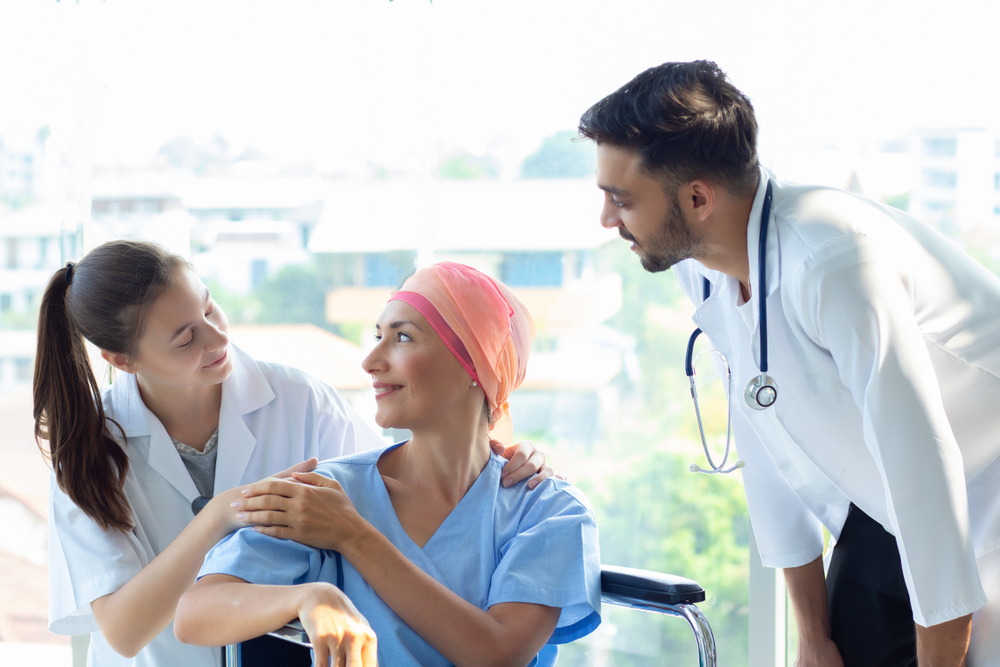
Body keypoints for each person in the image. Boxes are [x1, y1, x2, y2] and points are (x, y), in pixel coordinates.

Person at [578, 61, 1000, 667]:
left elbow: (924, 471)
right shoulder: (703, 267)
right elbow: (764, 432)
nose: (607, 221)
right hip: (886, 508)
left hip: (971, 481)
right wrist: (811, 634)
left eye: (621, 200)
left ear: (698, 198)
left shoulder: (833, 264)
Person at [35, 241, 553, 667]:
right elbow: (124, 632)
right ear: (122, 360)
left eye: (210, 306)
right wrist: (220, 515)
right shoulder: (86, 453)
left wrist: (498, 452)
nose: (217, 338)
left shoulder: (299, 399)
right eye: (186, 337)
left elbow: (402, 485)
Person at [175, 261, 602, 667]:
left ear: (476, 363)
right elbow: (194, 614)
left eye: (402, 338)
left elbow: (498, 655)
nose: (371, 362)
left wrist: (353, 536)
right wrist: (310, 598)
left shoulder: (549, 511)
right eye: (377, 335)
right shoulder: (329, 493)